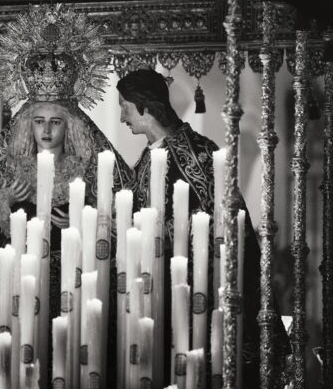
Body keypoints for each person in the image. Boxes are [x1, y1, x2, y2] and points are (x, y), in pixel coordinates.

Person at [0, 4, 132, 388]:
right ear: (26, 127)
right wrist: (3, 205)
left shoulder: (93, 171)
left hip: (77, 300)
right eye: (38, 122)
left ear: (71, 128)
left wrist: (86, 225)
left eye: (56, 122)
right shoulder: (6, 171)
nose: (46, 131)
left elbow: (128, 228)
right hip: (16, 299)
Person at [116, 68, 291, 388]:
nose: (122, 119)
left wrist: (168, 235)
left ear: (144, 108)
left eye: (125, 108)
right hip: (155, 293)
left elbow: (223, 221)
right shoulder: (145, 159)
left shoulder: (198, 153)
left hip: (201, 294)